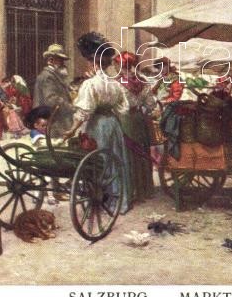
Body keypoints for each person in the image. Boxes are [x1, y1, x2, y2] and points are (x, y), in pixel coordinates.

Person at [62, 32, 135, 213]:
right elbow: (124, 108)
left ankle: (101, 199)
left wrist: (72, 130)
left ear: (93, 63)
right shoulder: (115, 84)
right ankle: (118, 201)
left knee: (98, 161)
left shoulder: (90, 84)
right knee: (115, 159)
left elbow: (84, 112)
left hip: (98, 125)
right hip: (113, 124)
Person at [115, 51, 158, 203]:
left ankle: (131, 189)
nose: (117, 68)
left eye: (118, 65)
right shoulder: (142, 81)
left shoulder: (118, 83)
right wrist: (142, 108)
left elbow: (117, 104)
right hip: (140, 119)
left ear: (122, 66)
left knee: (129, 154)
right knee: (141, 153)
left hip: (125, 120)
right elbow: (151, 104)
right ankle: (144, 189)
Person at [33, 44, 75, 138]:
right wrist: (71, 107)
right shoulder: (48, 76)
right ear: (51, 60)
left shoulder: (54, 75)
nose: (63, 64)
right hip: (53, 121)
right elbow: (51, 99)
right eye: (60, 60)